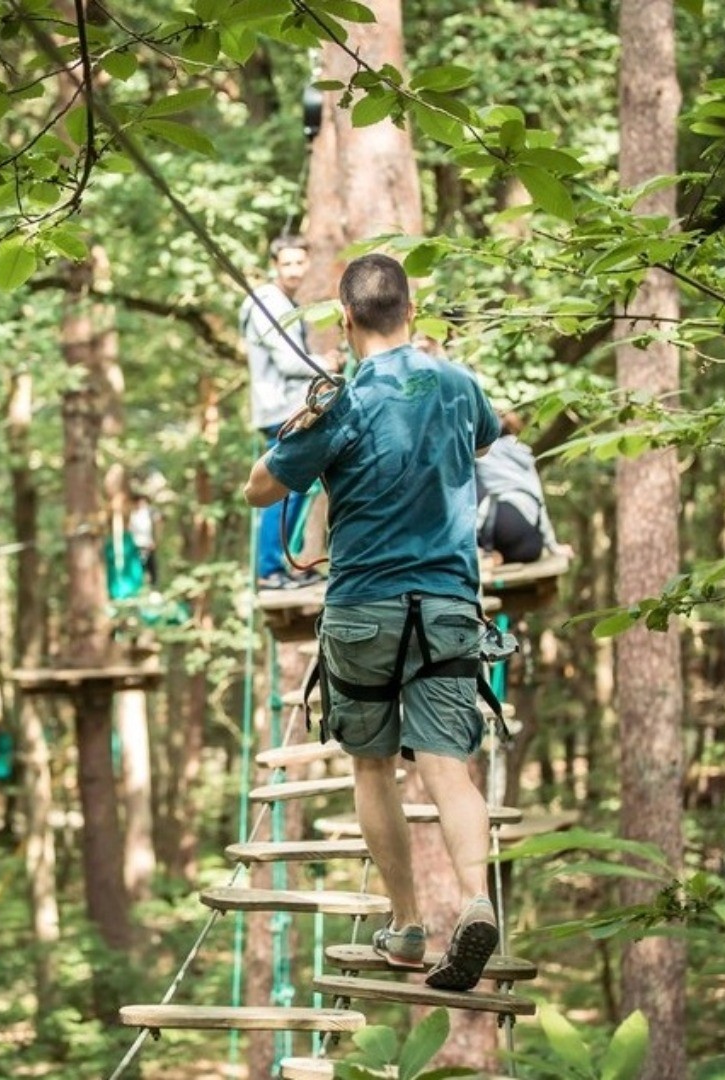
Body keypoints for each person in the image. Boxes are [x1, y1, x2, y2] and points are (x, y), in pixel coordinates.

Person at [244, 253, 503, 991]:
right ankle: (477, 901)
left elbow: (259, 490)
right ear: (411, 311)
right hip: (450, 604)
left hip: (363, 608)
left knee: (372, 764)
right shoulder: (456, 384)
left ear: (346, 318)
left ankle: (407, 925)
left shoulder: (341, 404)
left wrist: (303, 426)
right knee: (448, 766)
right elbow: (482, 438)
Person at [239, 233, 328, 589]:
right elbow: (287, 360)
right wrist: (325, 365)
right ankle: (270, 570)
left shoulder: (283, 302)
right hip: (280, 408)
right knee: (281, 485)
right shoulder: (268, 301)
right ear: (274, 266)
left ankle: (283, 566)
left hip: (289, 407)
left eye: (298, 262)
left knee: (298, 486)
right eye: (286, 263)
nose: (293, 270)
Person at [475, 411, 565, 566]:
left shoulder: (479, 452)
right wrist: (553, 546)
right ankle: (496, 556)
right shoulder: (524, 455)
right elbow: (539, 502)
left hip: (493, 522)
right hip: (527, 543)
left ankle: (486, 554)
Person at [128, 493, 159, 587]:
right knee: (138, 567)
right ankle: (139, 587)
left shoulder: (150, 512)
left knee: (151, 567)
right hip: (135, 545)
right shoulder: (133, 514)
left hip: (147, 544)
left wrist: (155, 540)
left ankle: (153, 587)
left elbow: (158, 525)